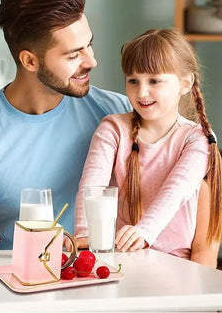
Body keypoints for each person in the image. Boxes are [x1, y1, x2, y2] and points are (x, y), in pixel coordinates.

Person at [0, 0, 131, 250]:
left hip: (108, 279)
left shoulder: (119, 114)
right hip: (13, 288)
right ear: (29, 60)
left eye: (89, 45)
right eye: (74, 55)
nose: (91, 61)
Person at [74, 28, 222, 267]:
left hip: (176, 270)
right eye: (133, 81)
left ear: (185, 83)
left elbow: (175, 192)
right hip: (119, 264)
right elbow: (92, 185)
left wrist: (144, 232)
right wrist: (83, 233)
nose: (141, 92)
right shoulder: (112, 129)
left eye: (154, 81)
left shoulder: (198, 139)